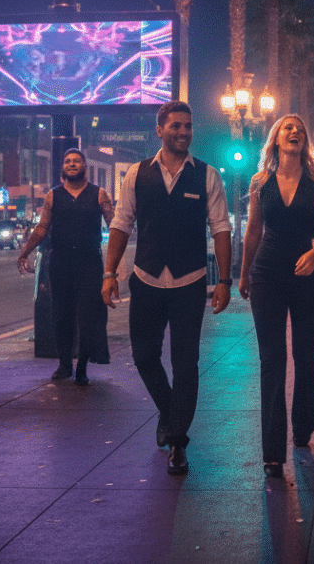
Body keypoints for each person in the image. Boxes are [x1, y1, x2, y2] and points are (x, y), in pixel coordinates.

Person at [101, 101, 232, 476]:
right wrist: (110, 272)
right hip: (145, 279)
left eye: (188, 126)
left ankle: (178, 443)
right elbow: (121, 225)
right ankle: (170, 412)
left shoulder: (207, 175)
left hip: (191, 282)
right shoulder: (136, 173)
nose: (183, 132)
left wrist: (223, 281)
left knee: (185, 364)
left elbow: (221, 228)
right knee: (144, 356)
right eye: (176, 125)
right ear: (159, 130)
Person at [239, 115, 314, 478]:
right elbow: (252, 231)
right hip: (267, 274)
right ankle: (272, 451)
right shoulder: (260, 181)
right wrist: (244, 273)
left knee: (306, 355)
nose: (294, 132)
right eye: (287, 128)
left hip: (307, 273)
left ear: (304, 141)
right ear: (275, 139)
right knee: (272, 358)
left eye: (300, 129)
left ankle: (303, 427)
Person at [17, 148, 114, 386]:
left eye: (77, 161)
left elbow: (116, 227)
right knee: (62, 316)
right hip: (60, 262)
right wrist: (24, 252)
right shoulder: (53, 196)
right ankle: (64, 365)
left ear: (84, 166)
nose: (72, 164)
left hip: (89, 263)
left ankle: (81, 368)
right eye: (68, 161)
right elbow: (42, 228)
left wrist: (115, 265)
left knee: (86, 317)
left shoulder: (99, 194)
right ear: (63, 167)